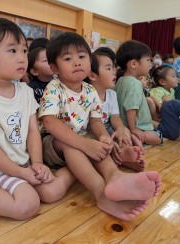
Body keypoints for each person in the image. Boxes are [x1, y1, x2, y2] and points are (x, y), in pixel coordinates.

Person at [0, 18, 74, 220]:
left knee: (50, 192)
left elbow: (33, 131)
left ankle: (74, 170)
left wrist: (37, 163)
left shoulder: (25, 91)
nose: (22, 58)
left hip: (22, 165)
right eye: (12, 51)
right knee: (27, 204)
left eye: (24, 51)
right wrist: (20, 173)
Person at [38, 32, 161, 221]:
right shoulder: (55, 88)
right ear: (54, 68)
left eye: (81, 57)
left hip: (81, 140)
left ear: (89, 62)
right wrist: (84, 144)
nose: (77, 62)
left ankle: (114, 176)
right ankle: (101, 194)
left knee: (98, 142)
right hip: (53, 143)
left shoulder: (89, 91)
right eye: (68, 58)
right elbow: (49, 122)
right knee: (75, 144)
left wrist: (103, 136)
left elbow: (95, 121)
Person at [87, 49, 145, 172]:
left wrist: (119, 130)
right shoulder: (87, 94)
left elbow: (115, 117)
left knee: (123, 131)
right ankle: (121, 157)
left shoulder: (111, 94)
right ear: (92, 75)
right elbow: (92, 124)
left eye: (114, 68)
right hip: (92, 129)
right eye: (109, 69)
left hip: (107, 127)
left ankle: (125, 153)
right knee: (104, 142)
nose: (114, 72)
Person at [115, 40, 163, 150]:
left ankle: (133, 137)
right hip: (139, 127)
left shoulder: (121, 80)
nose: (150, 64)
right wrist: (133, 129)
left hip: (123, 126)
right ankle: (135, 137)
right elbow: (131, 107)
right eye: (147, 60)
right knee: (158, 137)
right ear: (133, 64)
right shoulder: (135, 83)